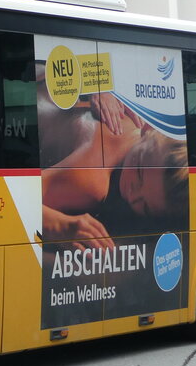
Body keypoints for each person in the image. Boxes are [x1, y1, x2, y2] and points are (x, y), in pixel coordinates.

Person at [40, 92, 188, 249]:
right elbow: (22, 200)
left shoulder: (134, 112)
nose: (132, 195)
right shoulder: (93, 181)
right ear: (148, 128)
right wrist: (59, 225)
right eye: (139, 173)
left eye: (144, 206)